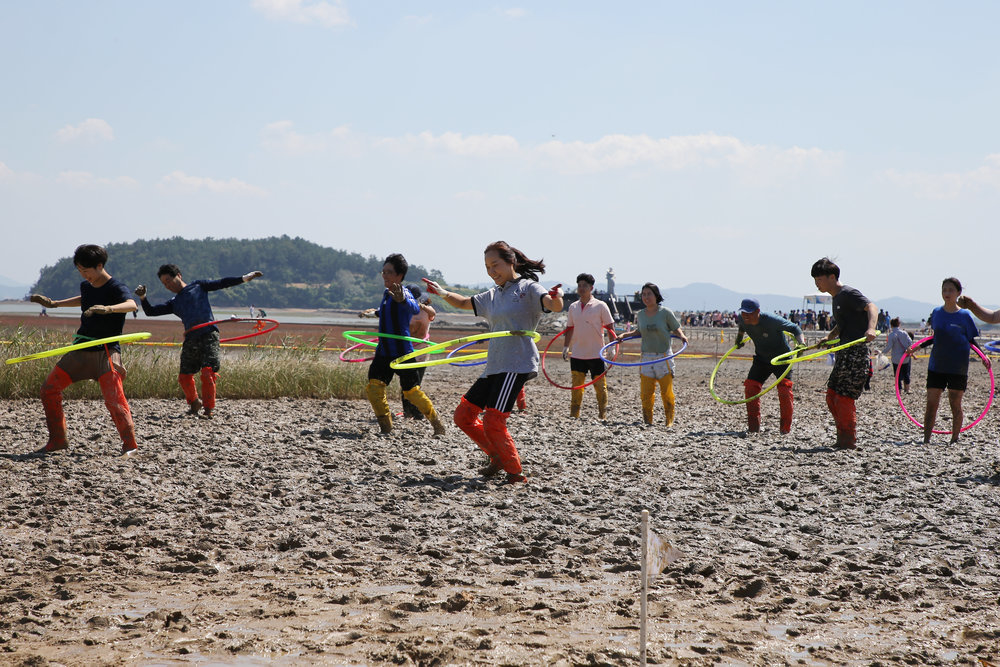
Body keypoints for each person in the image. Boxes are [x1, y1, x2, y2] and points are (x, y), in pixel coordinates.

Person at [422, 241, 563, 484]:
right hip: (495, 365)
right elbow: (465, 303)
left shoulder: (529, 288)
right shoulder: (493, 294)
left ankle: (515, 473)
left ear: (511, 262)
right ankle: (496, 454)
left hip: (516, 363)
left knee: (493, 420)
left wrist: (557, 297)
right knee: (463, 416)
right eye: (487, 267)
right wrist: (443, 293)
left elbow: (552, 305)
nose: (491, 271)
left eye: (495, 265)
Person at [29, 244, 139, 456]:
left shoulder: (116, 287)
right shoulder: (86, 286)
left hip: (106, 352)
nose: (84, 275)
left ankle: (130, 446)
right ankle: (58, 440)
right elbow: (84, 300)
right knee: (49, 389)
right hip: (81, 350)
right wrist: (54, 304)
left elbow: (132, 304)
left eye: (86, 270)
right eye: (80, 270)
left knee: (114, 400)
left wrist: (108, 309)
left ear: (99, 266)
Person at [135, 264, 263, 419]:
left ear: (179, 275)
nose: (168, 285)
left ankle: (208, 410)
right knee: (184, 376)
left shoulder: (198, 286)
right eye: (164, 284)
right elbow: (151, 312)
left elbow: (221, 283)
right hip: (191, 338)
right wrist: (143, 297)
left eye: (169, 280)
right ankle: (194, 402)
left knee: (208, 372)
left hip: (209, 334)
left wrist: (245, 278)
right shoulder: (174, 303)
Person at [365, 254, 447, 436]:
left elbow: (413, 307)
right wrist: (372, 313)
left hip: (403, 352)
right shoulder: (386, 294)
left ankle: (436, 422)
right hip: (384, 352)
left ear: (400, 275)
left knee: (412, 392)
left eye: (390, 272)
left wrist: (402, 299)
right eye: (383, 272)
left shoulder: (405, 293)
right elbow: (385, 312)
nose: (385, 275)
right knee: (374, 388)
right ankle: (385, 426)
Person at [811, 258, 879, 450]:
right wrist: (829, 337)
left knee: (843, 397)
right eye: (814, 279)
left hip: (856, 353)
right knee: (831, 395)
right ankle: (842, 436)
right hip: (843, 352)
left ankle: (848, 441)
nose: (816, 282)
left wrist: (871, 329)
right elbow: (843, 324)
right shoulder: (836, 298)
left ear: (832, 277)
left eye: (819, 278)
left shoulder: (848, 293)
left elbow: (872, 307)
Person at [907, 277, 984, 445]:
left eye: (950, 290)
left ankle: (954, 439)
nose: (947, 293)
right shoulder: (936, 313)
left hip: (958, 366)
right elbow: (935, 337)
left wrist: (983, 357)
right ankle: (926, 439)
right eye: (944, 290)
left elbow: (971, 340)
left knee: (955, 404)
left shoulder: (965, 315)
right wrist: (915, 348)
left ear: (958, 293)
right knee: (931, 403)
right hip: (937, 365)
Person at [734, 298, 805, 434]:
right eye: (743, 313)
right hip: (762, 359)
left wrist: (800, 344)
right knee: (750, 388)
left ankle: (785, 429)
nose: (746, 316)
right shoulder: (742, 319)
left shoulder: (771, 320)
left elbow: (795, 328)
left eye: (749, 313)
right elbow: (742, 327)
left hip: (782, 359)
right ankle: (753, 428)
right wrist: (739, 339)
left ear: (758, 312)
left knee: (784, 390)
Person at [632, 282, 688, 427]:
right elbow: (639, 332)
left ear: (656, 295)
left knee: (667, 392)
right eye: (643, 294)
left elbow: (676, 328)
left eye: (649, 294)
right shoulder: (641, 315)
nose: (646, 297)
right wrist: (625, 335)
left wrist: (682, 336)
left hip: (663, 356)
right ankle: (647, 421)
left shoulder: (665, 313)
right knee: (645, 393)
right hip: (646, 357)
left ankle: (669, 420)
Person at [562, 272, 617, 419]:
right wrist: (566, 347)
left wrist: (612, 347)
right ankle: (574, 415)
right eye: (579, 285)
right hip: (578, 353)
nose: (581, 288)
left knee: (600, 387)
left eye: (584, 285)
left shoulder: (600, 305)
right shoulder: (573, 307)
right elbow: (569, 328)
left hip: (597, 353)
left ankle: (602, 415)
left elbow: (610, 327)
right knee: (576, 386)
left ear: (591, 288)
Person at [400, 284, 436, 420]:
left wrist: (420, 306)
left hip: (421, 352)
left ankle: (416, 412)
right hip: (406, 350)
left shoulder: (426, 311)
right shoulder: (403, 310)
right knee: (406, 384)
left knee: (416, 384)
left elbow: (433, 313)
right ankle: (408, 412)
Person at [882, 317, 913, 394]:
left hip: (896, 358)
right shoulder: (904, 333)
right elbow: (910, 342)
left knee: (897, 375)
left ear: (891, 325)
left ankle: (899, 390)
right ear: (899, 324)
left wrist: (882, 353)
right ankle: (907, 389)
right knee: (906, 373)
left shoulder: (891, 335)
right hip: (905, 357)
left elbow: (889, 347)